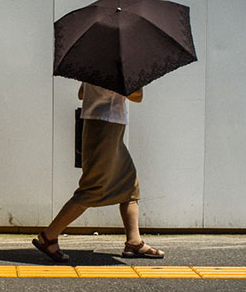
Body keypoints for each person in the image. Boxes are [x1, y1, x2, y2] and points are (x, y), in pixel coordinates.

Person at [32, 82, 163, 262]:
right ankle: (48, 236)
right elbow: (137, 96)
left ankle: (134, 241)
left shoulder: (95, 61)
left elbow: (81, 93)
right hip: (105, 127)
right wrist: (128, 85)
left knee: (129, 182)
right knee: (92, 188)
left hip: (106, 126)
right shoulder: (117, 64)